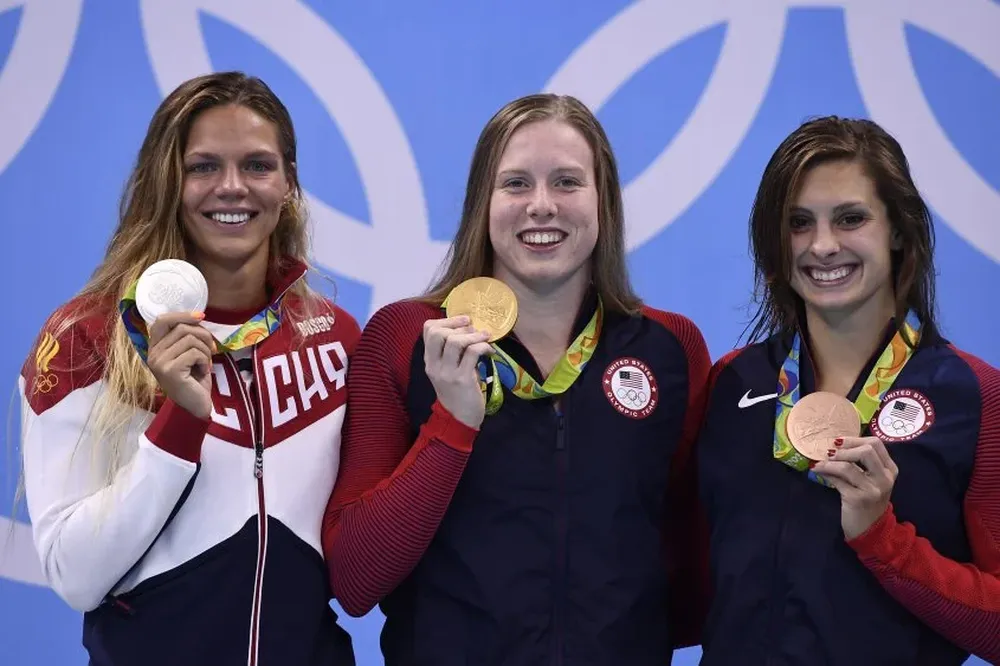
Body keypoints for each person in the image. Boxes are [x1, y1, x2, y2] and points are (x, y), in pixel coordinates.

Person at [322, 93, 711, 665]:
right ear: (484, 200)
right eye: (516, 184)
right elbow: (355, 581)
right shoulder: (408, 336)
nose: (542, 205)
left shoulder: (669, 348)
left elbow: (695, 564)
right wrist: (451, 424)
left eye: (568, 182)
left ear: (604, 201)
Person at [19, 71, 358, 666]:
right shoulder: (86, 339)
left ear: (289, 186)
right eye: (203, 167)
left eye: (257, 166)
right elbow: (75, 576)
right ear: (166, 183)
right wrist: (179, 424)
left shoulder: (334, 339)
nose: (232, 188)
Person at [696, 116, 1000, 664]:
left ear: (900, 229)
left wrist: (884, 540)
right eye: (798, 223)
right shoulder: (732, 383)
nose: (823, 245)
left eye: (851, 218)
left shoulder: (975, 396)